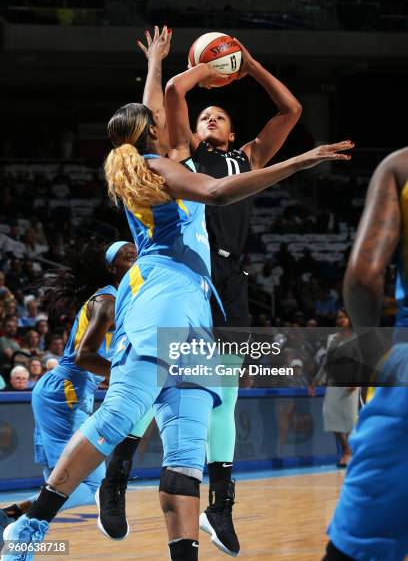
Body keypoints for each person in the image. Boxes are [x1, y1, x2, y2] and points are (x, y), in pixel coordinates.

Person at [3, 60, 353, 561]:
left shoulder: (152, 161)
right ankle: (33, 526)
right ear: (154, 134)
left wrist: (159, 62)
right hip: (161, 293)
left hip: (196, 301)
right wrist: (300, 162)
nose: (174, 121)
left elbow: (157, 104)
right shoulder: (159, 165)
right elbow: (214, 191)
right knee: (123, 410)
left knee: (187, 446)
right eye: (163, 122)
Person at [145, 28, 303, 556]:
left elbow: (291, 110)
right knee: (158, 386)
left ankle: (221, 502)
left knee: (226, 398)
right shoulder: (183, 154)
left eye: (220, 116)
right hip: (187, 276)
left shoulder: (250, 159)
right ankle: (118, 471)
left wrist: (250, 65)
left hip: (232, 282)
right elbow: (172, 94)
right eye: (204, 115)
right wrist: (206, 71)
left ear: (233, 136)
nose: (209, 118)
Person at [0, 240, 146, 549]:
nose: (134, 255)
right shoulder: (108, 299)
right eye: (125, 255)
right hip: (65, 392)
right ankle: (15, 522)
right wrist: (123, 374)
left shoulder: (123, 300)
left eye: (136, 253)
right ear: (111, 268)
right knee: (88, 483)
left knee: (61, 483)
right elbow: (84, 356)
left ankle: (14, 528)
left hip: (68, 391)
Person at [324, 147, 408, 560]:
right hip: (348, 385)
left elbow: (362, 279)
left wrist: (375, 352)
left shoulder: (400, 165)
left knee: (356, 550)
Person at [309, 309, 359, 468]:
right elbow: (326, 363)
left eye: (343, 317)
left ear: (350, 319)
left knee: (350, 419)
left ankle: (350, 453)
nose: (340, 320)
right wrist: (316, 381)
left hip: (350, 383)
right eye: (338, 317)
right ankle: (346, 449)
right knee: (330, 416)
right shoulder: (332, 338)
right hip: (333, 383)